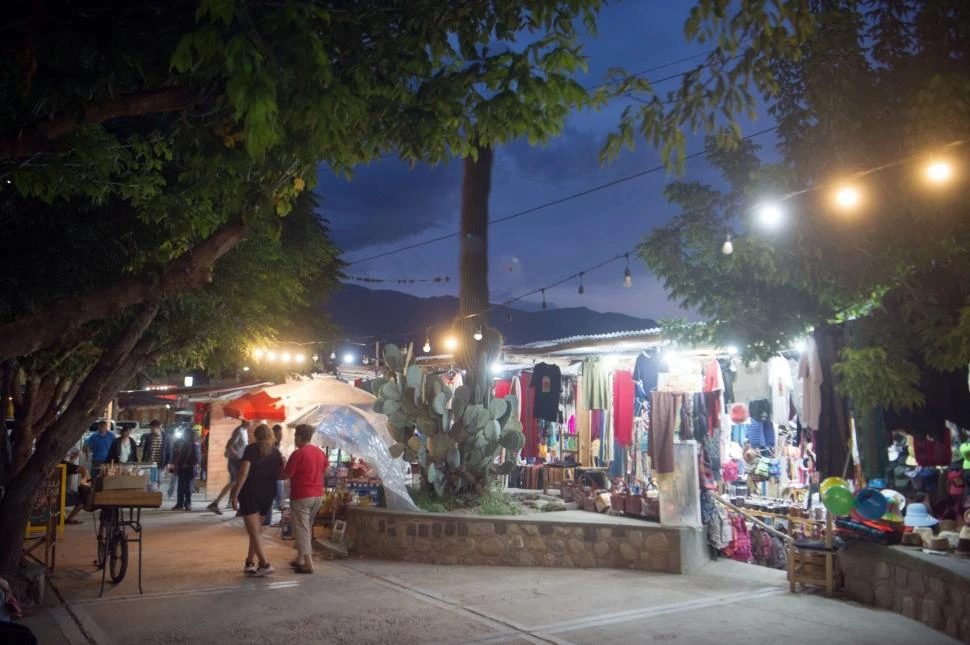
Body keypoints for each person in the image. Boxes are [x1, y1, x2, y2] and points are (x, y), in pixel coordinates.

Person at [230, 424, 283, 576]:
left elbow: (243, 473)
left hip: (250, 493)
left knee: (254, 531)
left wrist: (235, 493)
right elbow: (281, 474)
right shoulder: (276, 452)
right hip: (268, 494)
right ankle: (249, 562)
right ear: (271, 436)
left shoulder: (251, 449)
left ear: (256, 435)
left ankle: (265, 564)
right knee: (256, 531)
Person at [282, 424, 328, 574]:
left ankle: (308, 563)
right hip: (318, 495)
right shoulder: (320, 452)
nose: (295, 439)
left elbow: (286, 474)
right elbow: (326, 470)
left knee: (302, 529)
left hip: (302, 495)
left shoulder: (298, 454)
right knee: (306, 527)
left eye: (295, 436)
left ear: (299, 436)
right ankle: (300, 558)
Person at [207, 420, 250, 515]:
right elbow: (229, 445)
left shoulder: (244, 431)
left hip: (238, 460)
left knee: (236, 482)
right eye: (249, 421)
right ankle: (220, 503)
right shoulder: (239, 431)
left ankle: (225, 503)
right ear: (245, 421)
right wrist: (238, 456)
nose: (251, 423)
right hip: (235, 460)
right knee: (235, 482)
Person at [172, 429, 201, 511]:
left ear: (190, 436)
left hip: (189, 470)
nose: (184, 436)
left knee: (188, 488)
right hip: (182, 469)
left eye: (186, 435)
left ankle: (187, 504)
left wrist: (188, 464)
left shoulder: (195, 445)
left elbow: (197, 459)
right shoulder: (184, 444)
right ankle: (180, 504)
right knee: (180, 488)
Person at [264, 424, 286, 527]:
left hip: (277, 474)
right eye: (279, 433)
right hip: (272, 474)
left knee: (277, 497)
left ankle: (271, 519)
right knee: (272, 497)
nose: (281, 435)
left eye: (281, 433)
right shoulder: (272, 445)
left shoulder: (277, 445)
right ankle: (267, 519)